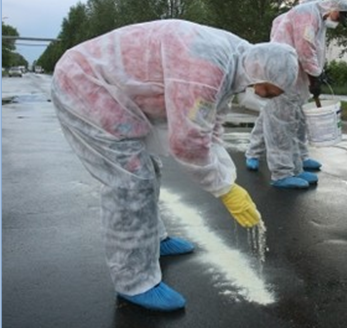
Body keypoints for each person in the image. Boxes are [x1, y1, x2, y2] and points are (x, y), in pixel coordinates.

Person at [50, 19, 299, 312]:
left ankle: (154, 239)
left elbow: (211, 123)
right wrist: (224, 189)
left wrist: (225, 176)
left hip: (108, 89)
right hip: (84, 84)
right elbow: (188, 142)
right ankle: (134, 281)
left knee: (149, 168)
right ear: (264, 73)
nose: (267, 97)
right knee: (131, 180)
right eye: (271, 91)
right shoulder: (208, 70)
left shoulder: (238, 59)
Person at [245, 0, 347, 189]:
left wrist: (316, 74)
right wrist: (314, 77)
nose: (339, 21)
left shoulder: (318, 18)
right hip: (282, 75)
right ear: (333, 7)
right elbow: (305, 50)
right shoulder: (307, 15)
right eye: (340, 15)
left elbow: (313, 51)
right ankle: (281, 173)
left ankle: (295, 168)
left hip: (293, 75)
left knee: (291, 124)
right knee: (280, 126)